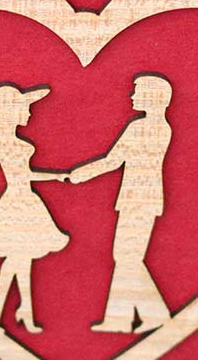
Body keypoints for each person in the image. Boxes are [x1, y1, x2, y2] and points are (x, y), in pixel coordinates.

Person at [70, 74, 173, 333]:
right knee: (128, 257)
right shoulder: (161, 127)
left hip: (138, 197)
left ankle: (141, 316)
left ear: (152, 97)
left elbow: (113, 160)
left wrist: (81, 173)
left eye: (138, 92)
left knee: (127, 257)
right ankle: (131, 317)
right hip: (144, 197)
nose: (132, 96)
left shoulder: (142, 128)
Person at [0, 83, 69, 333]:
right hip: (18, 202)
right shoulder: (10, 146)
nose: (30, 113)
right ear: (10, 112)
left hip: (23, 199)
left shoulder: (13, 144)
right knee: (18, 258)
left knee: (20, 259)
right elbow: (23, 177)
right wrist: (56, 176)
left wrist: (55, 176)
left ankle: (10, 309)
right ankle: (9, 308)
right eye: (25, 108)